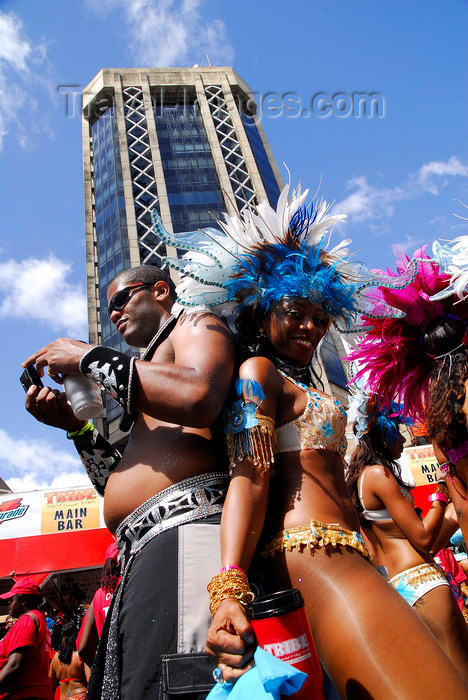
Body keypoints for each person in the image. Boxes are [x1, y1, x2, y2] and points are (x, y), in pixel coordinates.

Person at [156, 185, 468, 697]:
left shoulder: (298, 383)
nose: (310, 327)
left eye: (320, 318)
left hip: (346, 555)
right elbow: (250, 476)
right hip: (312, 555)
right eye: (295, 312)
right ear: (261, 313)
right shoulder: (257, 373)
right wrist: (229, 588)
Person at [23, 264, 235, 700]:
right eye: (108, 307)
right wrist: (77, 430)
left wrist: (86, 356)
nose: (114, 313)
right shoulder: (149, 370)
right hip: (143, 552)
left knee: (177, 687)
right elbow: (125, 482)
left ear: (160, 291)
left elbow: (201, 395)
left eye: (122, 300)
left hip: (188, 537)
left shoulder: (196, 323)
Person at [346, 397, 468, 674]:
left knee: (439, 678)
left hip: (400, 589)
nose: (402, 440)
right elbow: (424, 538)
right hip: (424, 583)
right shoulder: (378, 474)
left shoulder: (360, 480)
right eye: (396, 433)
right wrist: (440, 494)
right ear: (381, 437)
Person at [0, 578, 52, 700]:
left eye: (12, 600)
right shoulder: (40, 619)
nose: (9, 604)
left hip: (25, 695)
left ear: (24, 600)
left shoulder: (26, 621)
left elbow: (14, 664)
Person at [77, 542, 120, 667]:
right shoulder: (132, 584)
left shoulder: (99, 595)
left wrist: (102, 672)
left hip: (111, 673)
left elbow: (83, 648)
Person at [49, 622, 89, 700]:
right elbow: (90, 679)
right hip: (81, 696)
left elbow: (51, 683)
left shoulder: (56, 657)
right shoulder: (80, 654)